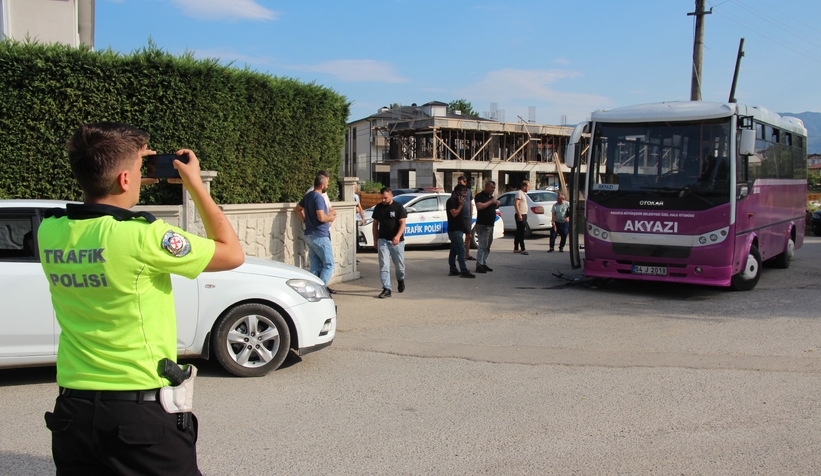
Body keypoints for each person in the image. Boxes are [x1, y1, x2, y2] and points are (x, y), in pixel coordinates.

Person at [39, 122, 245, 475]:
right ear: (123, 179)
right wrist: (194, 183)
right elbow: (231, 253)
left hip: (73, 414)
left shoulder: (50, 231)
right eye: (138, 167)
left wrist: (124, 175)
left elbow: (101, 205)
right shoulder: (144, 236)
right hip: (138, 417)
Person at [296, 174, 337, 290]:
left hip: (309, 234)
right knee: (329, 264)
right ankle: (320, 289)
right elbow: (321, 217)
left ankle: (311, 290)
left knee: (315, 265)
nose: (327, 186)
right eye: (327, 184)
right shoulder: (318, 198)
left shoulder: (308, 196)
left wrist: (305, 220)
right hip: (320, 235)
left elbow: (298, 209)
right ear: (322, 185)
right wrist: (330, 218)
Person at [371, 187, 407, 298]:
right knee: (384, 266)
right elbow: (375, 224)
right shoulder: (378, 208)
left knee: (400, 267)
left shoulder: (398, 207)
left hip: (397, 242)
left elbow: (403, 223)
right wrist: (375, 239)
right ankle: (386, 288)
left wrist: (397, 236)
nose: (383, 200)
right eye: (381, 198)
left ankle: (400, 279)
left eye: (385, 198)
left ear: (391, 196)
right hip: (383, 240)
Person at [446, 184, 476, 278]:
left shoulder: (460, 201)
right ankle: (464, 270)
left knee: (454, 251)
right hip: (454, 230)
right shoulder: (451, 201)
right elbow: (454, 213)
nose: (465, 195)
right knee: (461, 250)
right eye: (463, 192)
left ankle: (453, 269)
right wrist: (460, 205)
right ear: (457, 192)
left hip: (459, 229)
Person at [473, 180, 500, 273]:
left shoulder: (490, 197)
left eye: (494, 188)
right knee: (482, 245)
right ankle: (479, 265)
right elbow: (479, 207)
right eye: (491, 188)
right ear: (486, 187)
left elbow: (491, 207)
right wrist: (491, 202)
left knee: (488, 246)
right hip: (482, 225)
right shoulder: (480, 196)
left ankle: (483, 262)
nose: (493, 190)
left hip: (490, 224)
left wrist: (496, 204)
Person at [457, 175, 475, 260]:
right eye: (458, 183)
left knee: (469, 236)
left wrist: (471, 215)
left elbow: (470, 203)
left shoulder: (469, 192)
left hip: (467, 217)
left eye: (460, 183)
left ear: (465, 183)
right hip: (459, 217)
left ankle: (467, 254)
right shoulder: (456, 192)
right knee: (459, 236)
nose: (459, 184)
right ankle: (460, 254)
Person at [513, 180, 530, 255]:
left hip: (524, 214)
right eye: (528, 186)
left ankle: (516, 248)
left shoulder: (524, 194)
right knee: (521, 232)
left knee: (518, 232)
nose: (529, 188)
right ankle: (523, 248)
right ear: (524, 186)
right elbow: (516, 204)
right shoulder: (519, 193)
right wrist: (519, 214)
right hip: (520, 215)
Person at [353, 182, 364, 263]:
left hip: (356, 220)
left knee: (356, 238)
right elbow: (356, 209)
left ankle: (355, 256)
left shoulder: (356, 196)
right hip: (351, 219)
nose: (355, 187)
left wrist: (362, 217)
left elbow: (359, 207)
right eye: (354, 186)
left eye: (356, 186)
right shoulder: (348, 196)